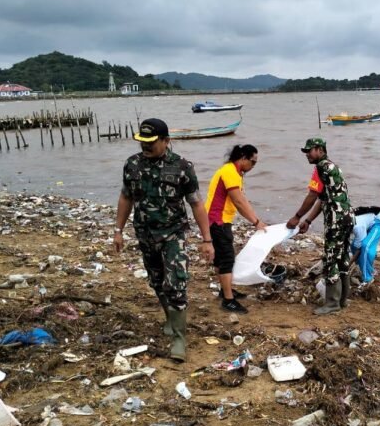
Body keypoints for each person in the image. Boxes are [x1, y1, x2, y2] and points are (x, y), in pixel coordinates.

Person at [114, 118, 214, 363]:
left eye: (151, 143)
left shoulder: (181, 166)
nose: (145, 148)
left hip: (173, 235)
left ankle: (179, 337)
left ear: (166, 140)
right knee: (157, 281)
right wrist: (118, 230)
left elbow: (196, 203)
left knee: (177, 283)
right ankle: (169, 317)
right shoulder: (132, 164)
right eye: (143, 143)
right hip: (145, 233)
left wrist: (207, 239)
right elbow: (126, 198)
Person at [287, 137, 353, 315]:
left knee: (331, 258)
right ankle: (343, 300)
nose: (307, 154)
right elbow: (322, 200)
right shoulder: (333, 167)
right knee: (342, 257)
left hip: (336, 219)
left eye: (310, 150)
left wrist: (297, 216)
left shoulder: (321, 167)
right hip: (347, 217)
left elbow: (312, 195)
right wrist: (308, 221)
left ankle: (332, 304)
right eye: (306, 151)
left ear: (320, 150)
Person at [205, 144, 268, 314]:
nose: (253, 167)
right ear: (243, 158)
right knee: (226, 259)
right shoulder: (229, 172)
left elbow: (241, 199)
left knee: (221, 258)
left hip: (218, 220)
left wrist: (255, 219)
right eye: (252, 162)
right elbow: (239, 202)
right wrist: (256, 222)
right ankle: (228, 300)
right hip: (218, 220)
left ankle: (225, 290)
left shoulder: (235, 173)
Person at [349, 206, 380, 284]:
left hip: (379, 223)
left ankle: (367, 278)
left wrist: (349, 264)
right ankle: (363, 268)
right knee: (353, 246)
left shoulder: (357, 226)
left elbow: (359, 248)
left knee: (366, 247)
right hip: (369, 222)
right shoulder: (346, 222)